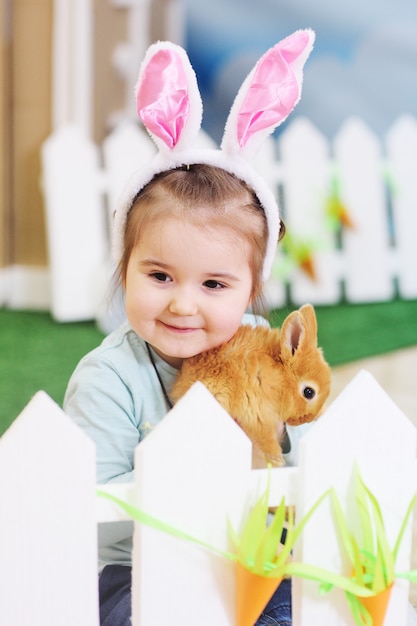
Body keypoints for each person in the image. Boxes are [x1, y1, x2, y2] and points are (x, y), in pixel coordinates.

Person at [64, 33, 315, 626]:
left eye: (214, 285)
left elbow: (302, 460)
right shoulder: (109, 378)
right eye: (159, 275)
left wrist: (274, 439)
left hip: (252, 554)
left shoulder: (264, 352)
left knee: (294, 612)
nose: (182, 304)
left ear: (250, 291)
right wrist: (187, 468)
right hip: (134, 568)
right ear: (125, 268)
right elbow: (97, 505)